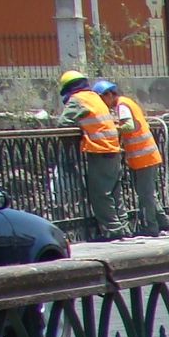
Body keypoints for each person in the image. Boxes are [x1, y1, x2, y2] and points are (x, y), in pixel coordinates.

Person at [58, 70, 129, 241]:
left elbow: (63, 122)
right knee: (115, 191)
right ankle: (125, 228)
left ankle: (113, 231)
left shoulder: (78, 100)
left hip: (100, 150)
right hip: (114, 148)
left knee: (101, 194)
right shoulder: (95, 97)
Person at [95, 80, 167, 237]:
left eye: (102, 98)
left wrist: (112, 127)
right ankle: (164, 223)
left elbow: (129, 126)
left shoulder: (122, 105)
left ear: (109, 94)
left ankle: (151, 228)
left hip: (144, 156)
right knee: (149, 192)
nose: (102, 103)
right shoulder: (126, 103)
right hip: (145, 156)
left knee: (145, 194)